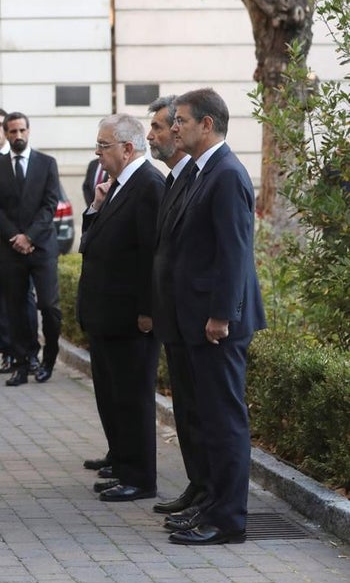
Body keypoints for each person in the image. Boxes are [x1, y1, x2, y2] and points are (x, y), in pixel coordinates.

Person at [166, 87, 265, 546]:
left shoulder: (226, 174)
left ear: (207, 124)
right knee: (207, 418)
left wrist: (222, 315)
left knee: (224, 421)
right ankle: (210, 504)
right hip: (198, 321)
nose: (173, 128)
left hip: (217, 325)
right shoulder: (202, 171)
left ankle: (228, 520)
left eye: (182, 120)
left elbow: (234, 252)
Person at [76, 114, 164, 502]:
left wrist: (148, 310)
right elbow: (91, 244)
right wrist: (96, 207)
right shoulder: (117, 185)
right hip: (107, 315)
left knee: (132, 397)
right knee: (113, 396)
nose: (97, 153)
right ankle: (123, 461)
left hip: (131, 318)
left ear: (128, 149)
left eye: (103, 145)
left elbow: (152, 256)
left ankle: (140, 476)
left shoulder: (148, 185)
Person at [145, 96, 209, 521]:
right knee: (187, 412)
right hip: (178, 318)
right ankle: (198, 488)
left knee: (206, 414)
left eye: (161, 126)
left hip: (202, 319)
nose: (153, 135)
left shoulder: (206, 176)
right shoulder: (175, 177)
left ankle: (210, 497)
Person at [0, 112, 62, 386]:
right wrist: (14, 237)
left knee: (48, 306)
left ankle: (49, 358)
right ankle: (22, 361)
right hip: (10, 248)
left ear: (29, 132)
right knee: (15, 308)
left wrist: (29, 237)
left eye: (21, 131)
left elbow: (50, 205)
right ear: (6, 134)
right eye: (13, 131)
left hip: (41, 246)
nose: (17, 136)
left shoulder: (47, 163)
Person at [0, 107, 38, 375]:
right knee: (0, 300)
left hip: (18, 243)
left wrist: (13, 235)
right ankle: (7, 352)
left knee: (23, 299)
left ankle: (27, 352)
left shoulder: (23, 159)